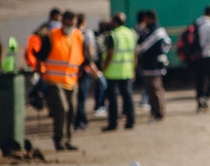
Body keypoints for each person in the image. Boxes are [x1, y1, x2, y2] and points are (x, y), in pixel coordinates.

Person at [36, 10, 89, 150]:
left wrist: (94, 73)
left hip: (72, 81)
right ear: (63, 21)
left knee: (71, 110)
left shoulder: (78, 36)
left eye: (72, 23)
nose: (70, 25)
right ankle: (58, 140)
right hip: (54, 80)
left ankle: (67, 140)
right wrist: (39, 76)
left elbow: (85, 57)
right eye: (67, 22)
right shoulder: (52, 36)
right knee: (61, 109)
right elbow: (40, 56)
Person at [101, 12, 137, 131]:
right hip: (127, 71)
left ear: (115, 22)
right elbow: (134, 53)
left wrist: (103, 68)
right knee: (128, 97)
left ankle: (113, 123)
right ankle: (130, 121)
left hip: (113, 72)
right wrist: (133, 69)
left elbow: (110, 54)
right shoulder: (131, 33)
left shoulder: (113, 35)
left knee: (113, 99)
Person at [136, 9, 170, 121]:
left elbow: (142, 47)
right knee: (154, 90)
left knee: (155, 90)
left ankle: (158, 113)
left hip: (153, 66)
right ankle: (156, 112)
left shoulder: (155, 31)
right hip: (152, 65)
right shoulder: (154, 30)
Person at [73, 14, 98, 131]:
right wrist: (94, 68)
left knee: (75, 97)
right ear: (84, 21)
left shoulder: (72, 34)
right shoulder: (87, 34)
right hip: (84, 69)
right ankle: (80, 121)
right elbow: (90, 51)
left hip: (72, 69)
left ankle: (80, 119)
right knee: (82, 97)